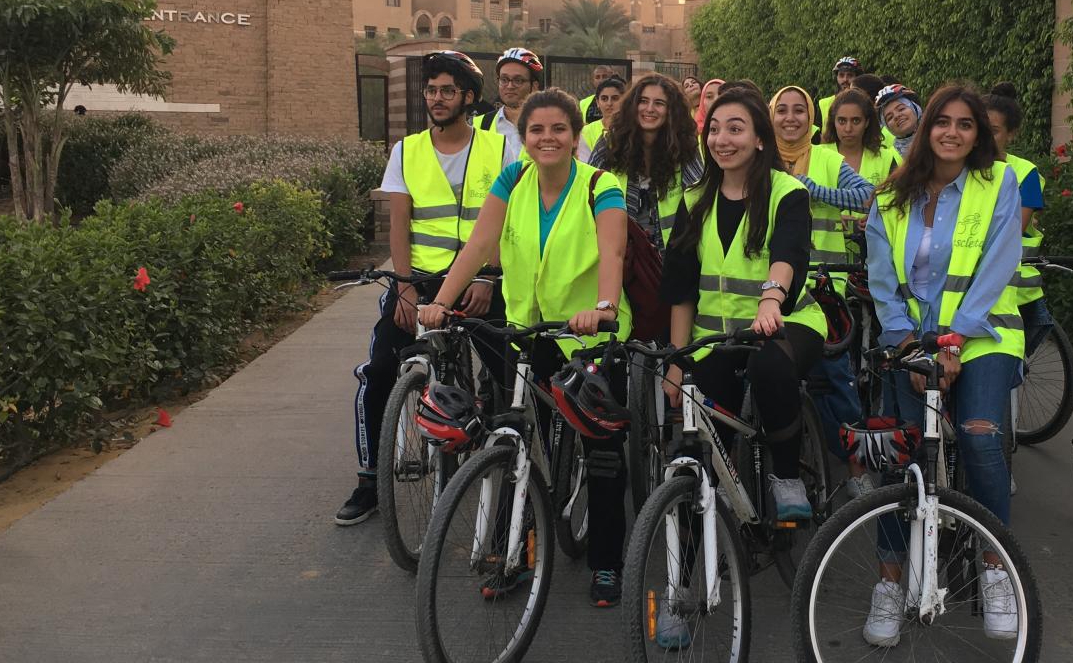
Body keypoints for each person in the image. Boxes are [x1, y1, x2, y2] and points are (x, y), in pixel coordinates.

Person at [420, 87, 633, 608]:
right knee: (512, 437)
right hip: (529, 330)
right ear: (523, 137)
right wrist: (441, 304)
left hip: (590, 335)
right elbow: (478, 245)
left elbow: (614, 249)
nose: (547, 138)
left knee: (600, 451)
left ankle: (607, 561)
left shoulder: (600, 185)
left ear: (575, 136)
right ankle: (511, 552)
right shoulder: (512, 180)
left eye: (559, 129)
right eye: (536, 130)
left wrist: (604, 305)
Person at [864, 84, 1024, 645]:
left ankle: (996, 568)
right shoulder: (888, 198)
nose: (952, 132)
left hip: (985, 334)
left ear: (978, 134)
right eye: (943, 122)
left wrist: (954, 339)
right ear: (925, 129)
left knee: (980, 437)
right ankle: (888, 583)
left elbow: (1001, 262)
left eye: (966, 124)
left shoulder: (997, 183)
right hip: (911, 341)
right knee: (900, 455)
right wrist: (910, 346)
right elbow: (883, 284)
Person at [340, 51, 521, 525]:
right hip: (418, 280)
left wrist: (488, 276)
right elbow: (398, 223)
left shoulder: (500, 150)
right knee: (378, 371)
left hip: (480, 280)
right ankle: (369, 481)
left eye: (447, 90)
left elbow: (507, 222)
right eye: (431, 90)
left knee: (506, 378)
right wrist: (402, 288)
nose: (436, 99)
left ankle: (505, 470)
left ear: (467, 97)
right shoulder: (407, 149)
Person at [661, 88, 826, 523]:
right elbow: (680, 289)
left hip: (786, 322)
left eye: (735, 129)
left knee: (770, 367)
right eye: (714, 130)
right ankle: (699, 559)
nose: (722, 140)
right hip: (715, 337)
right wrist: (677, 363)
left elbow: (788, 253)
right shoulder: (694, 198)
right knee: (701, 449)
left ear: (759, 140)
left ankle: (786, 476)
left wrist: (771, 300)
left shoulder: (786, 192)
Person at [770, 85, 874, 488]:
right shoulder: (758, 159)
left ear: (812, 118)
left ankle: (856, 470)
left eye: (800, 110)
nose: (791, 118)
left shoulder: (829, 159)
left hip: (823, 288)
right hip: (771, 289)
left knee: (837, 381)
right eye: (782, 110)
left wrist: (815, 191)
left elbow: (866, 196)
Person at [590, 72, 703, 250]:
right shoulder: (609, 145)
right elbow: (587, 195)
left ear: (671, 110)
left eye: (659, 103)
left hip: (672, 259)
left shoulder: (686, 147)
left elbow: (699, 200)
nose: (649, 109)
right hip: (619, 258)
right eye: (643, 101)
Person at [982, 82, 1052, 354]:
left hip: (1016, 287)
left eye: (995, 131)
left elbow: (1014, 228)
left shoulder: (1025, 173)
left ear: (1011, 134)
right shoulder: (956, 169)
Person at [822, 87, 901, 188]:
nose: (848, 129)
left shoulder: (886, 159)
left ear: (867, 122)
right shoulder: (817, 156)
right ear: (834, 122)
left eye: (856, 121)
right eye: (842, 121)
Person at [477, 47, 543, 150]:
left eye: (518, 80)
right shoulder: (481, 124)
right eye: (504, 79)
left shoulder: (547, 125)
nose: (509, 86)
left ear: (534, 86)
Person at [579, 75, 626, 162]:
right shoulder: (586, 132)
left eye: (615, 98)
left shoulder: (633, 128)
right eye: (604, 99)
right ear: (597, 102)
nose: (609, 103)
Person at [874, 83, 923, 155]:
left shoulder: (938, 139)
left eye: (901, 109)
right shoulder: (890, 158)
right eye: (889, 117)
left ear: (916, 108)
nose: (896, 116)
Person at [818, 56, 862, 121]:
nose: (845, 79)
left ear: (858, 78)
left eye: (850, 75)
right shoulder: (824, 104)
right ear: (836, 78)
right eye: (841, 75)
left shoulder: (865, 104)